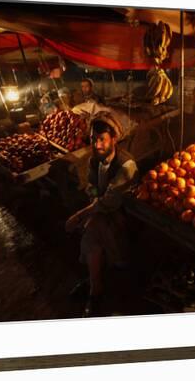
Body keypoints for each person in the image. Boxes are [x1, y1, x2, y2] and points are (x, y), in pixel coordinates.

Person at [65, 112, 138, 317]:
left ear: (114, 139)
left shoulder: (126, 165)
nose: (97, 145)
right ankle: (95, 286)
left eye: (102, 140)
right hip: (101, 213)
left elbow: (111, 200)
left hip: (124, 215)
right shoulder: (93, 160)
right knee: (94, 228)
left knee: (91, 228)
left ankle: (94, 286)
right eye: (94, 140)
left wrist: (80, 215)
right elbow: (91, 188)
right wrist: (94, 201)